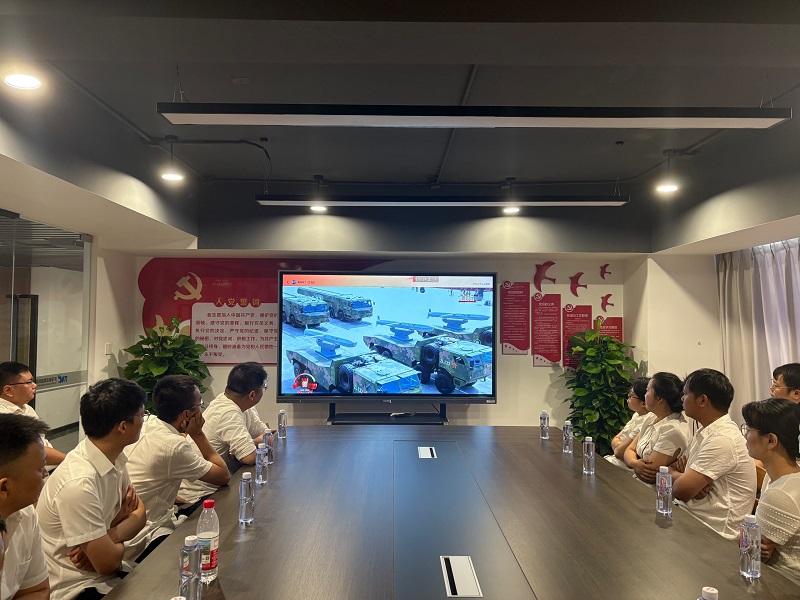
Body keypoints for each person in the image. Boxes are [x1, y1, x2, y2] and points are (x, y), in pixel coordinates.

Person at [36, 378, 147, 600]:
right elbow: (108, 564)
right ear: (122, 427)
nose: (144, 422)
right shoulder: (78, 483)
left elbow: (140, 513)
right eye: (142, 416)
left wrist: (109, 535)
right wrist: (118, 526)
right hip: (76, 587)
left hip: (108, 577)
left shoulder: (112, 456)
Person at [124, 375, 230, 558]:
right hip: (146, 534)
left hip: (126, 522)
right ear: (186, 415)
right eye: (200, 405)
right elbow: (223, 476)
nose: (202, 410)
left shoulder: (147, 423)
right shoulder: (173, 445)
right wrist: (198, 434)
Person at [670, 368, 756, 539]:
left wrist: (684, 479)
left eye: (685, 393)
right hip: (691, 518)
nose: (682, 398)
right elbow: (672, 468)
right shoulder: (706, 431)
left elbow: (681, 490)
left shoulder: (722, 439)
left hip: (713, 534)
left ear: (702, 400)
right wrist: (683, 477)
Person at [178, 363, 272, 504]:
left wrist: (253, 442)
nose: (265, 390)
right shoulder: (228, 412)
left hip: (223, 484)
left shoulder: (243, 405)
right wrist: (257, 442)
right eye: (264, 387)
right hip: (202, 495)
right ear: (252, 395)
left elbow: (268, 435)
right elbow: (250, 457)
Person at [741, 398, 800, 583]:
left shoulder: (781, 494)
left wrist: (746, 540)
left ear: (771, 440)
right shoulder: (778, 476)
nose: (745, 435)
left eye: (749, 429)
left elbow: (752, 553)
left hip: (781, 585)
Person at [0, 414, 50, 600]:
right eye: (40, 469)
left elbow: (39, 590)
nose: (45, 474)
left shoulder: (25, 512)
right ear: (4, 487)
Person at [622, 372, 688, 483]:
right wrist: (635, 463)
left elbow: (649, 475)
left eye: (647, 390)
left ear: (659, 398)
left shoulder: (673, 430)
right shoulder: (651, 417)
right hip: (636, 481)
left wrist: (633, 462)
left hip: (653, 489)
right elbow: (629, 449)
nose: (644, 395)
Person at [0, 361, 66, 467]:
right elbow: (35, 452)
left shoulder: (26, 408)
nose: (34, 385)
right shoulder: (4, 417)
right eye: (29, 382)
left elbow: (42, 442)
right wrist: (69, 460)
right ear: (8, 390)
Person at [605, 377, 654, 469]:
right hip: (615, 461)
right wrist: (620, 446)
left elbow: (618, 453)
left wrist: (619, 447)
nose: (627, 398)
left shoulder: (647, 421)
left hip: (624, 467)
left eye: (631, 396)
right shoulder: (637, 415)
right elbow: (615, 439)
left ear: (643, 402)